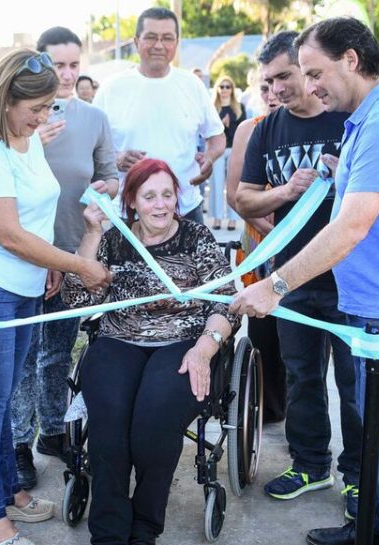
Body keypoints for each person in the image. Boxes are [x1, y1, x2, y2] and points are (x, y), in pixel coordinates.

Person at [230, 18, 379, 545]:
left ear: (351, 60)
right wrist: (342, 168)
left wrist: (275, 285)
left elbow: (351, 226)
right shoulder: (368, 120)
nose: (308, 87)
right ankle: (369, 529)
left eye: (314, 72)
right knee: (377, 428)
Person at [0, 49, 113, 545]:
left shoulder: (25, 137)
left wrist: (46, 269)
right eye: (35, 108)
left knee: (5, 398)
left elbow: (33, 216)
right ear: (3, 98)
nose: (43, 118)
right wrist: (75, 264)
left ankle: (8, 492)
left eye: (49, 106)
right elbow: (9, 235)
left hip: (23, 286)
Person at [64, 158, 237, 545]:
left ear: (178, 199)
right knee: (108, 430)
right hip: (118, 340)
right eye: (149, 196)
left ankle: (144, 529)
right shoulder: (113, 239)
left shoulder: (196, 238)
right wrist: (92, 232)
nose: (160, 205)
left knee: (152, 427)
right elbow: (76, 298)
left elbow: (226, 302)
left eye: (167, 195)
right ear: (131, 202)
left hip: (183, 342)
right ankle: (108, 534)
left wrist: (204, 350)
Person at [234, 29, 363, 519]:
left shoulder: (347, 117)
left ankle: (357, 475)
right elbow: (244, 199)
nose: (278, 89)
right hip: (290, 279)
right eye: (268, 81)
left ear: (309, 68)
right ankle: (310, 465)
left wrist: (341, 174)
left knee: (353, 383)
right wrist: (284, 192)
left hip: (350, 279)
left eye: (286, 76)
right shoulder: (267, 130)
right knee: (302, 376)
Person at [10, 26, 119, 491]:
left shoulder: (94, 118)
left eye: (76, 65)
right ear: (39, 66)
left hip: (76, 254)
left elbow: (110, 175)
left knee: (57, 351)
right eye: (59, 65)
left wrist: (103, 191)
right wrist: (35, 144)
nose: (69, 74)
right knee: (22, 355)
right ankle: (17, 443)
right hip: (24, 258)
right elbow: (5, 189)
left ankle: (52, 432)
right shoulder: (18, 122)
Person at [93, 6, 226, 224]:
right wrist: (115, 159)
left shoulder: (192, 85)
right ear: (136, 42)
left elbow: (217, 136)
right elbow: (90, 146)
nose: (159, 45)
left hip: (185, 209)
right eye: (151, 37)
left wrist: (209, 158)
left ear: (176, 43)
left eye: (167, 38)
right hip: (127, 214)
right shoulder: (111, 88)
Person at [226, 76, 287, 424]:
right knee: (263, 325)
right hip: (261, 242)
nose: (272, 95)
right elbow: (235, 195)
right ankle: (266, 406)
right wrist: (277, 232)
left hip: (303, 242)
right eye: (263, 88)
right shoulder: (249, 129)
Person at [210, 74, 244, 231]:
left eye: (227, 86)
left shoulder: (239, 108)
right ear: (217, 89)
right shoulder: (212, 108)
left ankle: (233, 219)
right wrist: (221, 125)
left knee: (233, 186)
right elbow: (209, 133)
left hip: (233, 150)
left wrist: (227, 127)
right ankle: (217, 218)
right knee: (216, 185)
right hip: (217, 151)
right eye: (221, 86)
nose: (224, 90)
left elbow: (239, 133)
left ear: (232, 89)